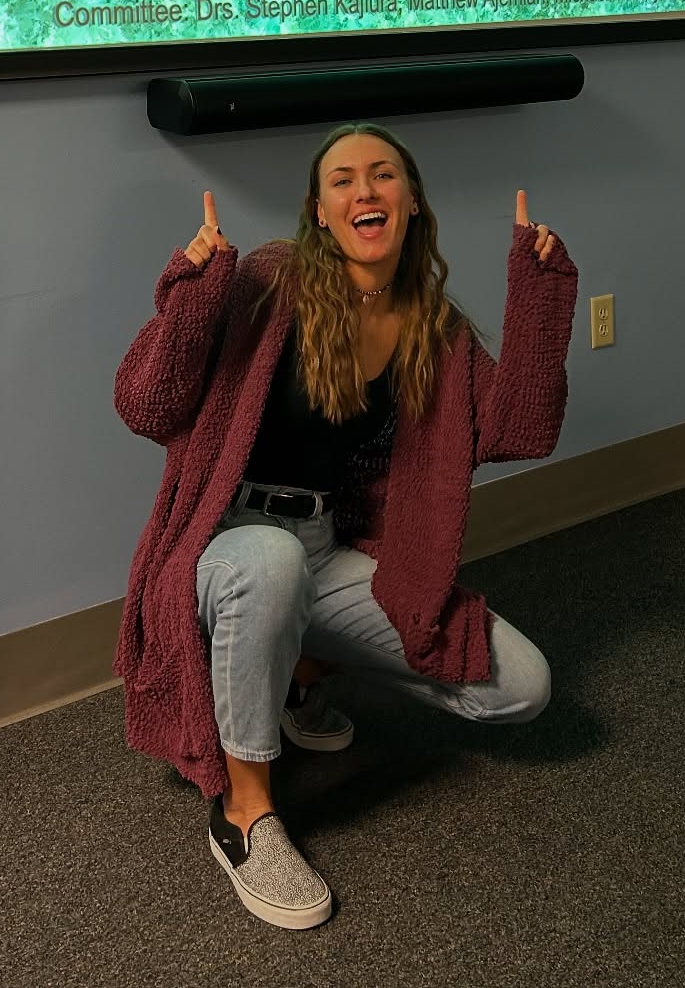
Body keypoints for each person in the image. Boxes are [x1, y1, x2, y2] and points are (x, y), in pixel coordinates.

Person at [113, 122, 579, 929]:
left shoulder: (434, 328)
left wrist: (536, 300)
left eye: (384, 175)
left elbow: (518, 429)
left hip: (325, 552)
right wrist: (190, 293)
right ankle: (245, 815)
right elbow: (144, 404)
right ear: (321, 212)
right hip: (225, 547)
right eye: (343, 180)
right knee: (269, 562)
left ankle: (296, 668)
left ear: (410, 203)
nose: (365, 190)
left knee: (524, 687)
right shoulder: (266, 280)